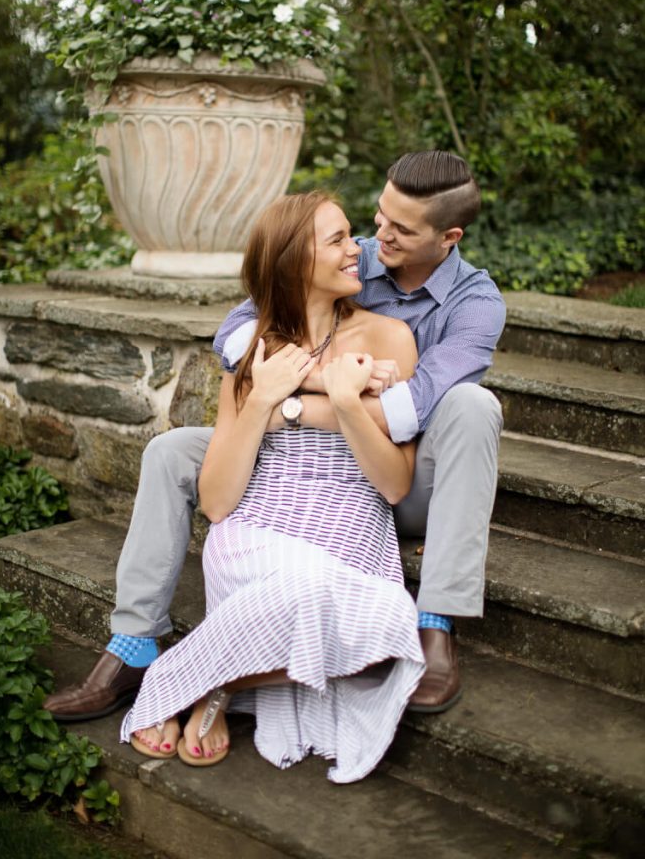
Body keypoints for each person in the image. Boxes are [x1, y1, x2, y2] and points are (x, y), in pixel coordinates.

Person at [45, 149, 505, 735]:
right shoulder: (350, 254)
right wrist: (302, 385)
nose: (375, 237)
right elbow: (236, 335)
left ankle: (435, 622)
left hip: (408, 477)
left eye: (400, 229)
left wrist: (307, 398)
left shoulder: (475, 305)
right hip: (299, 437)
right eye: (379, 216)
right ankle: (133, 645)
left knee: (472, 406)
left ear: (449, 236)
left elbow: (407, 409)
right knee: (170, 451)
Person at [120, 192, 425, 782]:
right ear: (292, 261)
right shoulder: (254, 348)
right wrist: (261, 396)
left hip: (352, 530)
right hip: (259, 526)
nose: (355, 249)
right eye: (336, 240)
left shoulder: (391, 340)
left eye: (349, 235)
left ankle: (193, 682)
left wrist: (347, 402)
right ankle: (210, 684)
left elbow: (393, 485)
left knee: (390, 622)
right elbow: (216, 501)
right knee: (305, 587)